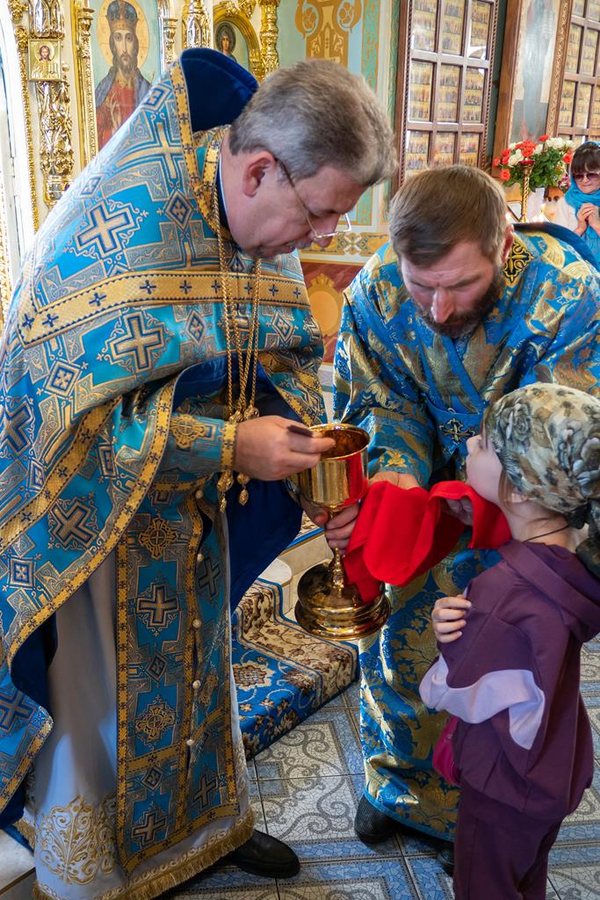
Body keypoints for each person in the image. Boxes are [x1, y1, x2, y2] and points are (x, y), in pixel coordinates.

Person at [0, 48, 395, 900]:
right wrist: (229, 447)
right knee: (101, 706)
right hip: (97, 532)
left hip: (199, 523)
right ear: (259, 170)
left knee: (200, 677)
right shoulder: (116, 233)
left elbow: (286, 352)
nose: (325, 239)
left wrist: (305, 455)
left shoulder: (260, 220)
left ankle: (207, 831)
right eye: (322, 214)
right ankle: (90, 871)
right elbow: (59, 416)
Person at [333, 165, 600, 869]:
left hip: (523, 518)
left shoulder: (569, 297)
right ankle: (397, 786)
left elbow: (565, 433)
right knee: (398, 641)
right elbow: (379, 397)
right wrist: (395, 475)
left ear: (503, 242)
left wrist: (476, 497)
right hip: (427, 504)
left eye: (460, 285)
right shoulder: (376, 291)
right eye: (422, 286)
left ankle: (481, 813)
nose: (439, 309)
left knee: (510, 666)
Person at [420, 382, 600, 899]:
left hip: (506, 783)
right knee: (526, 876)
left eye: (482, 445)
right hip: (556, 764)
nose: (470, 449)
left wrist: (445, 632)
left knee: (485, 885)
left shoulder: (502, 592)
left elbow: (450, 689)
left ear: (519, 489)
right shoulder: (575, 564)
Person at [95, 0, 152, 150]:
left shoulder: (149, 91)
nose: (125, 48)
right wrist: (113, 132)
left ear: (136, 43)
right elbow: (95, 138)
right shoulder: (103, 92)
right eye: (118, 38)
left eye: (129, 38)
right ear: (112, 44)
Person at [551, 141, 600, 266]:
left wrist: (596, 226)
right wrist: (580, 228)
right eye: (578, 176)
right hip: (575, 274)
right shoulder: (566, 203)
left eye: (591, 175)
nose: (584, 180)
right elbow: (556, 249)